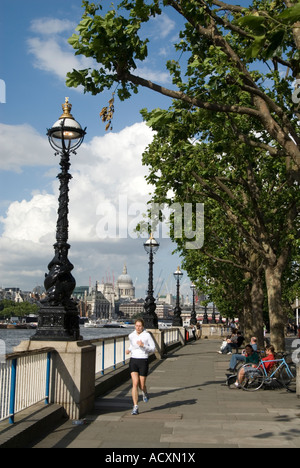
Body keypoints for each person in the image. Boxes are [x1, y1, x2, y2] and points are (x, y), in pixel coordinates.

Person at [126, 318, 156, 415]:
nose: (138, 328)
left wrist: (143, 345)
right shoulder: (131, 335)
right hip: (134, 360)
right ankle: (135, 406)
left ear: (143, 326)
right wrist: (129, 350)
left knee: (141, 384)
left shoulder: (147, 335)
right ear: (134, 326)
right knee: (135, 383)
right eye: (136, 326)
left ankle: (144, 392)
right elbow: (132, 345)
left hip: (143, 360)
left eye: (140, 326)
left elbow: (153, 348)